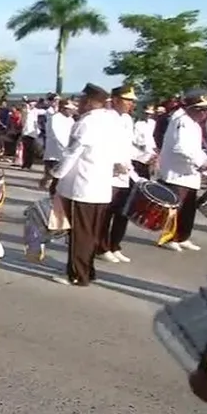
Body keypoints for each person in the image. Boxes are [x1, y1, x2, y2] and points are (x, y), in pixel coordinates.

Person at [49, 83, 123, 286]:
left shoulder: (86, 123)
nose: (79, 104)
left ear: (90, 102)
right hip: (101, 186)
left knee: (80, 234)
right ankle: (88, 271)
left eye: (82, 100)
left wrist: (56, 174)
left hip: (81, 186)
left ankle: (77, 274)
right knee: (92, 233)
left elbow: (72, 153)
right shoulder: (111, 121)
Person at [157, 94, 207, 252]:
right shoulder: (182, 121)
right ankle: (169, 238)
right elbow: (182, 149)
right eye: (201, 110)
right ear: (192, 109)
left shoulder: (194, 124)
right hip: (177, 173)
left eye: (206, 110)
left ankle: (182, 236)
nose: (204, 114)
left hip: (189, 173)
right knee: (175, 209)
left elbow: (196, 150)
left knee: (188, 208)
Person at [96, 86, 138, 264]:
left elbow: (128, 146)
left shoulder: (128, 120)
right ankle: (101, 247)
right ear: (115, 100)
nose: (131, 104)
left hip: (125, 172)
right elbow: (101, 144)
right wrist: (113, 162)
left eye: (132, 101)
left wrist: (144, 156)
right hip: (109, 172)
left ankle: (115, 245)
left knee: (122, 212)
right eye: (127, 100)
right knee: (106, 213)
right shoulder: (105, 117)